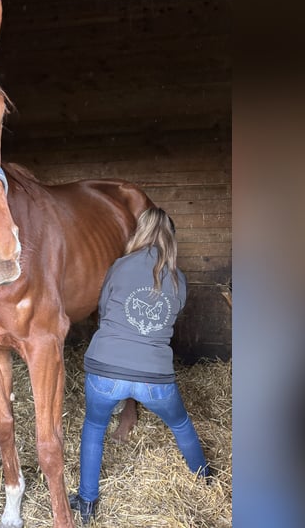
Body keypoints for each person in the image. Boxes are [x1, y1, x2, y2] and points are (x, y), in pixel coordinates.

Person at [69, 206, 211, 524]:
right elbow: (172, 316)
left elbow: (103, 309)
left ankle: (87, 501)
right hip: (154, 377)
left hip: (105, 369)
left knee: (94, 427)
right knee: (181, 425)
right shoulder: (178, 278)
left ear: (140, 232)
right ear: (171, 237)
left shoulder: (120, 266)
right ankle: (206, 481)